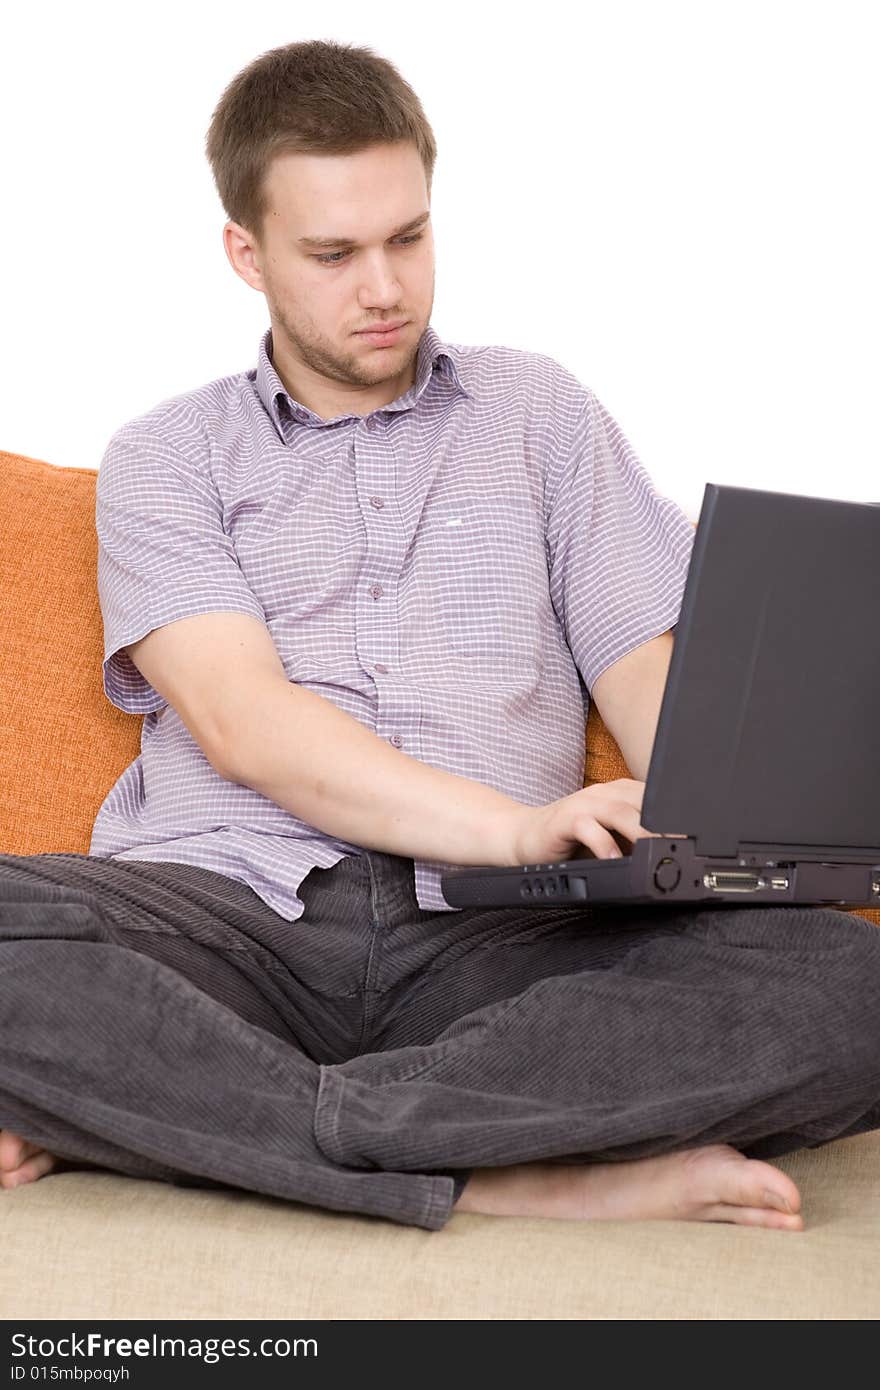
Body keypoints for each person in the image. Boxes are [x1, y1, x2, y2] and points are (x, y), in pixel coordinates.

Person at [2, 39, 878, 1233]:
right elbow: (246, 725)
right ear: (245, 255)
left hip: (497, 936)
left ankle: (227, 1124)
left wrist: (744, 822)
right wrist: (513, 824)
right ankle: (516, 1170)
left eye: (408, 238)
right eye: (334, 253)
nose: (386, 288)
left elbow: (645, 684)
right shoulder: (168, 455)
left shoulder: (541, 414)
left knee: (841, 982)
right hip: (230, 919)